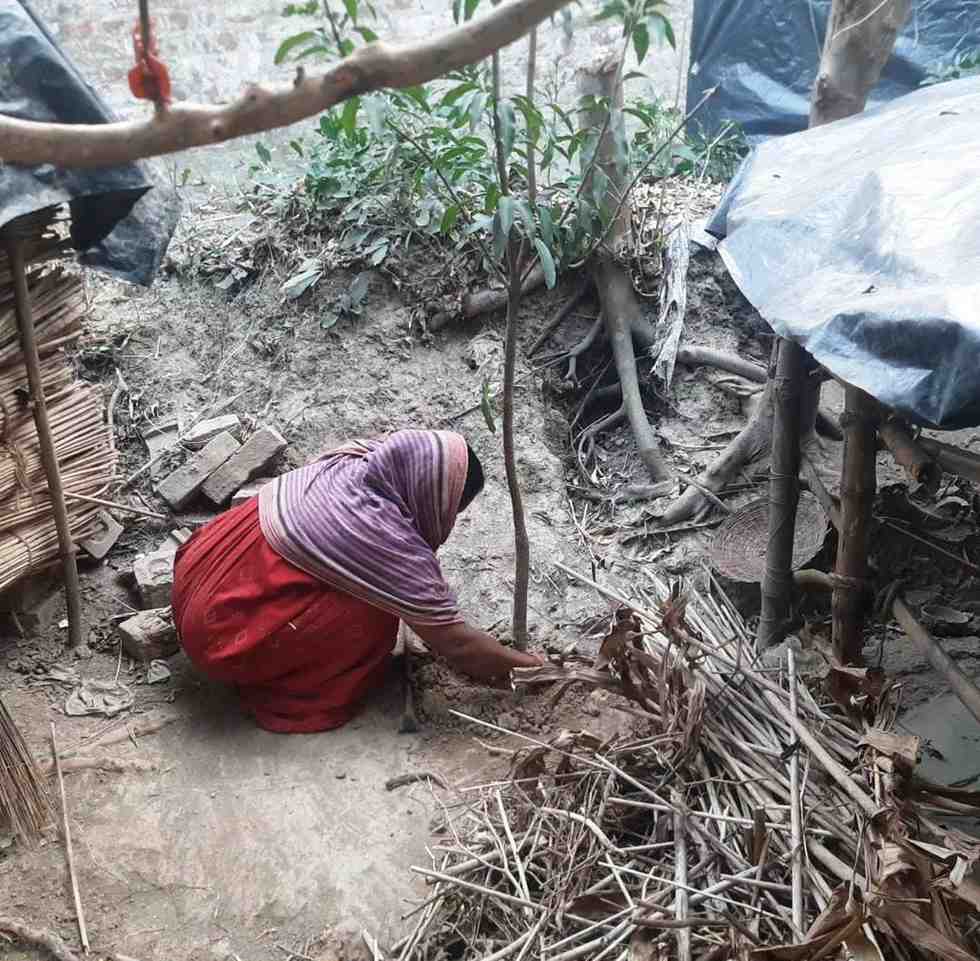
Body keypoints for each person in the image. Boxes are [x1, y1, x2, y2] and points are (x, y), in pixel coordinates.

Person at [171, 428, 541, 733]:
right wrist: (532, 668)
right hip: (220, 641)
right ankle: (294, 685)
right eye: (452, 509)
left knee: (355, 581)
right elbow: (457, 645)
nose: (449, 521)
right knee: (376, 611)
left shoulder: (352, 459)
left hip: (194, 582)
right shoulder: (392, 544)